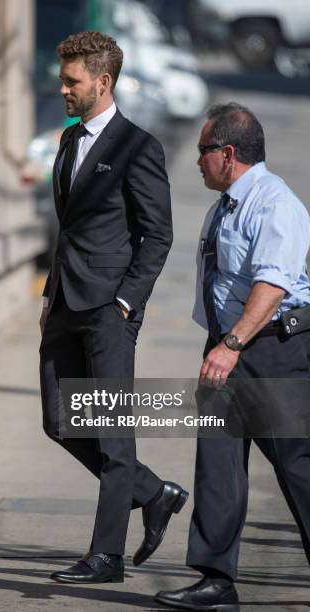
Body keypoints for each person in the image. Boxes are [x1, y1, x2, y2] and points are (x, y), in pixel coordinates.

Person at [39, 31, 188, 584]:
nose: (63, 90)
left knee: (110, 431)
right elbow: (68, 229)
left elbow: (158, 234)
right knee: (59, 421)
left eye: (72, 81)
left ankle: (107, 556)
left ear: (102, 82)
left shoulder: (137, 146)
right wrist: (51, 293)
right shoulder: (68, 140)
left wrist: (127, 300)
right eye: (63, 80)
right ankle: (154, 493)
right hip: (63, 305)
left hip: (109, 309)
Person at [155, 103, 310, 610]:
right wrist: (220, 343)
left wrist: (232, 344)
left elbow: (273, 284)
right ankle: (216, 580)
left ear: (227, 153)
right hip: (229, 344)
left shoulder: (274, 202)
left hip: (271, 349)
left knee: (297, 466)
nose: (197, 161)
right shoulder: (227, 203)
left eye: (203, 152)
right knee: (218, 466)